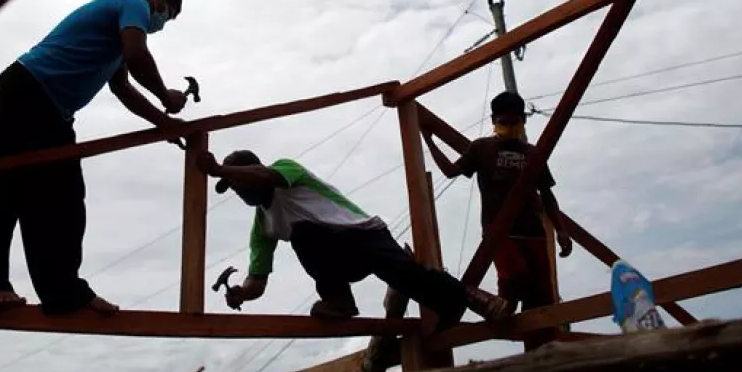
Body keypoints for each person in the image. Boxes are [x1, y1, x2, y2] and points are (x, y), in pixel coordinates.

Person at [0, 0, 191, 314]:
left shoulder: (117, 40)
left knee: (60, 199)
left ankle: (64, 293)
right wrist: (166, 95)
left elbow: (122, 87)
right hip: (27, 90)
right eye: (168, 14)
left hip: (50, 110)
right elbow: (138, 55)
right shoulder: (132, 3)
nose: (161, 23)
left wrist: (163, 122)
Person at [195, 150, 512, 325]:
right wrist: (241, 294)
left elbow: (265, 177)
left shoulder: (283, 169)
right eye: (234, 189)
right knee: (303, 235)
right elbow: (258, 279)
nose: (239, 191)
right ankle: (339, 300)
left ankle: (471, 299)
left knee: (406, 276)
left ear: (254, 171)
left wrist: (221, 171)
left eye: (239, 183)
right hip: (335, 258)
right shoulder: (262, 226)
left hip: (364, 234)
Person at [422, 91, 572, 346]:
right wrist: (429, 140)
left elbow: (547, 195)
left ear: (523, 121)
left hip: (533, 232)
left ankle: (538, 356)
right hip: (500, 233)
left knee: (542, 301)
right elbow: (450, 172)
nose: (509, 128)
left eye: (514, 123)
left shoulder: (532, 153)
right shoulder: (482, 148)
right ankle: (492, 307)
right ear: (494, 120)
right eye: (504, 122)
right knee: (515, 276)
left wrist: (561, 231)